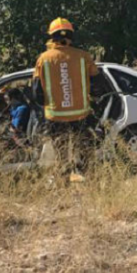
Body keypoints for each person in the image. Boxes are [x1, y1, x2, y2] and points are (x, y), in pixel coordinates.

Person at [32, 17, 100, 175]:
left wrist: (50, 104)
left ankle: (64, 181)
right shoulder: (83, 56)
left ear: (52, 36)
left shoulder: (44, 59)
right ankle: (85, 179)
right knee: (83, 152)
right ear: (71, 35)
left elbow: (37, 93)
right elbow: (98, 85)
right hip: (80, 115)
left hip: (55, 117)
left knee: (61, 156)